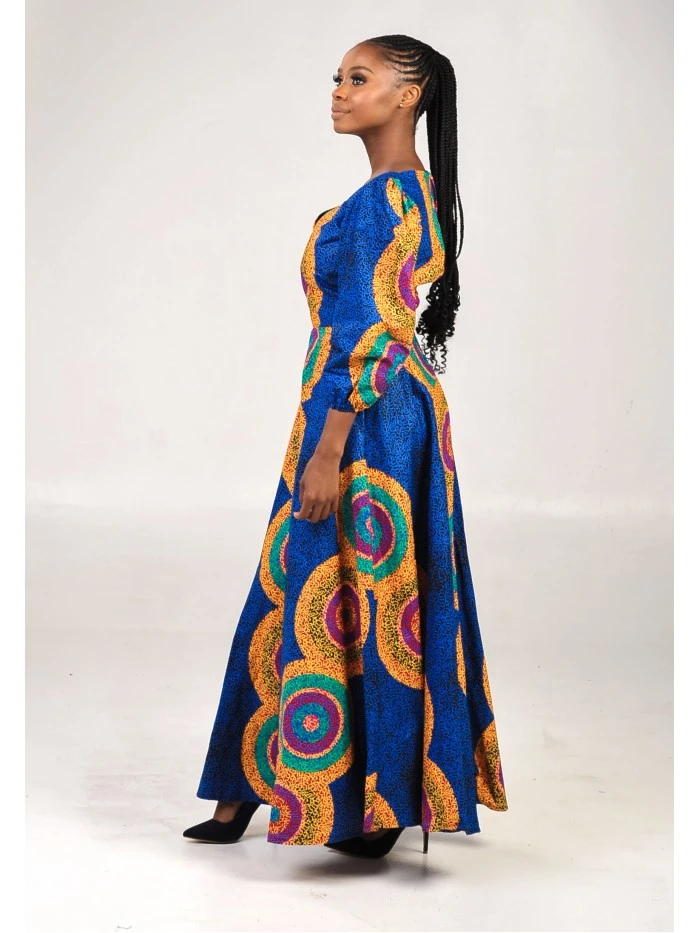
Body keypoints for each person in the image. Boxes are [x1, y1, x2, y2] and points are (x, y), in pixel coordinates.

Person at [183, 33, 508, 859]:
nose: (338, 90)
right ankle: (271, 788)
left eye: (358, 78)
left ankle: (368, 802)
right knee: (335, 591)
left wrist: (327, 451)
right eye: (337, 76)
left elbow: (371, 332)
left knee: (354, 594)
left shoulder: (384, 202)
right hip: (371, 410)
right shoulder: (407, 193)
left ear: (409, 96)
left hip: (362, 419)